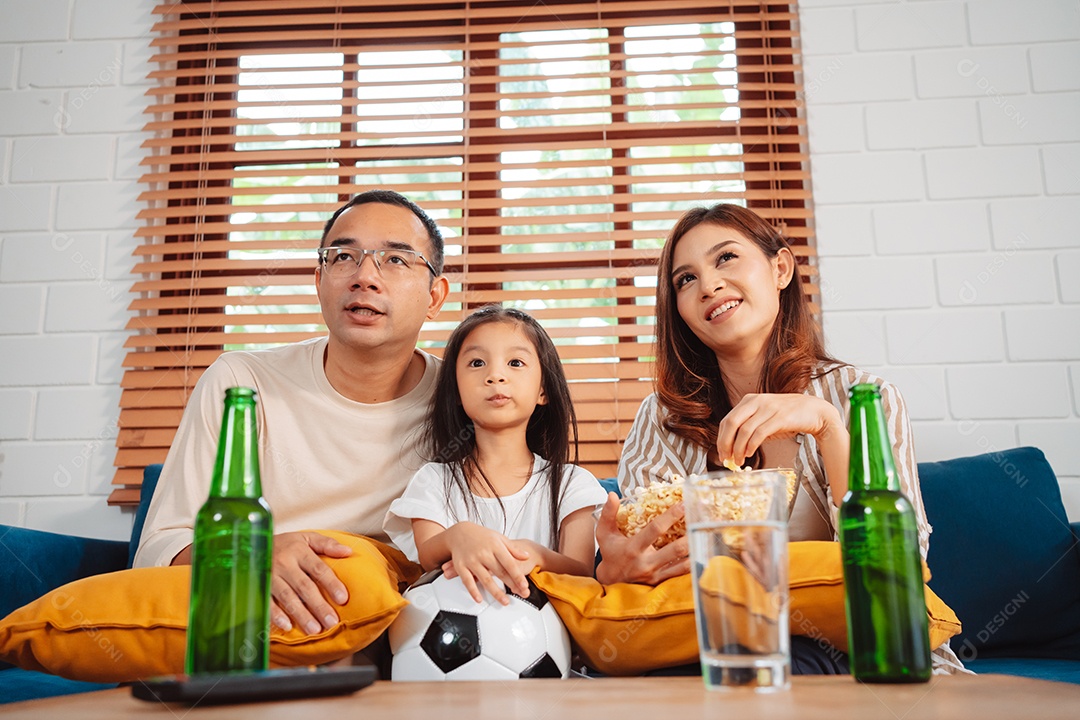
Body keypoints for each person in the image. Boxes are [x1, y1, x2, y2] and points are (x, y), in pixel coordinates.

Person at [594, 203, 965, 673]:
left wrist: (827, 426)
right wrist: (616, 569)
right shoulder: (661, 419)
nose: (708, 285)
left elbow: (899, 562)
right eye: (685, 279)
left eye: (725, 258)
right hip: (709, 648)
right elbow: (648, 570)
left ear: (781, 269)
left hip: (859, 649)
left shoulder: (863, 400)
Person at [134, 189, 450, 639]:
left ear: (435, 296)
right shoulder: (242, 382)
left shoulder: (464, 399)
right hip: (258, 624)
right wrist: (252, 559)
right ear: (318, 280)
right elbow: (159, 545)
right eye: (343, 256)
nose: (364, 276)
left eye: (395, 260)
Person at [384, 306, 607, 605]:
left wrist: (536, 553)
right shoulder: (433, 480)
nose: (495, 375)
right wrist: (458, 536)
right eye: (477, 362)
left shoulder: (572, 484)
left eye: (515, 362)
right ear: (457, 392)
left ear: (543, 390)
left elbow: (581, 573)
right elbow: (427, 554)